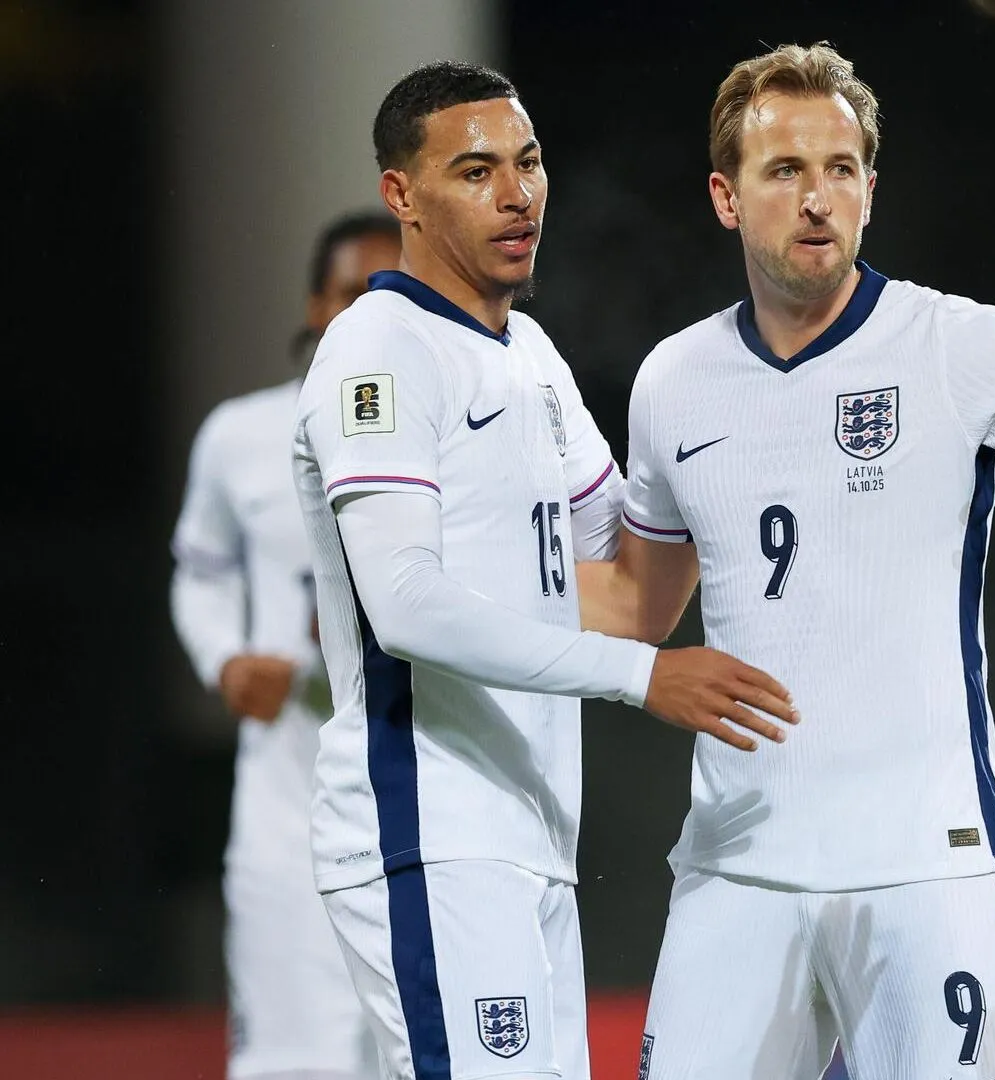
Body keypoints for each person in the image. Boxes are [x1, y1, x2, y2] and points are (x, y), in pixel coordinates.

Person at [594, 42, 995, 1080]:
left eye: (840, 169)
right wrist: (459, 577)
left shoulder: (957, 346)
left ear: (871, 189)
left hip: (927, 869)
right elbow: (637, 612)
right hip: (736, 869)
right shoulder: (673, 381)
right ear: (725, 197)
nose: (817, 197)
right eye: (784, 171)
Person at [290, 61, 795, 1080]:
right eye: (476, 172)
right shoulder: (376, 351)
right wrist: (643, 681)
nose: (517, 194)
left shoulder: (532, 359)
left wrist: (721, 429)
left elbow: (625, 597)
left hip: (527, 838)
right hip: (428, 829)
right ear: (402, 196)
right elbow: (407, 607)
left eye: (528, 164)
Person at [171, 210, 399, 1080]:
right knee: (288, 1061)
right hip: (284, 804)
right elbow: (198, 572)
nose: (367, 313)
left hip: (419, 792)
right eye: (352, 292)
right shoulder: (239, 436)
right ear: (315, 304)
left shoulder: (459, 436)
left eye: (390, 292)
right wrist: (224, 659)